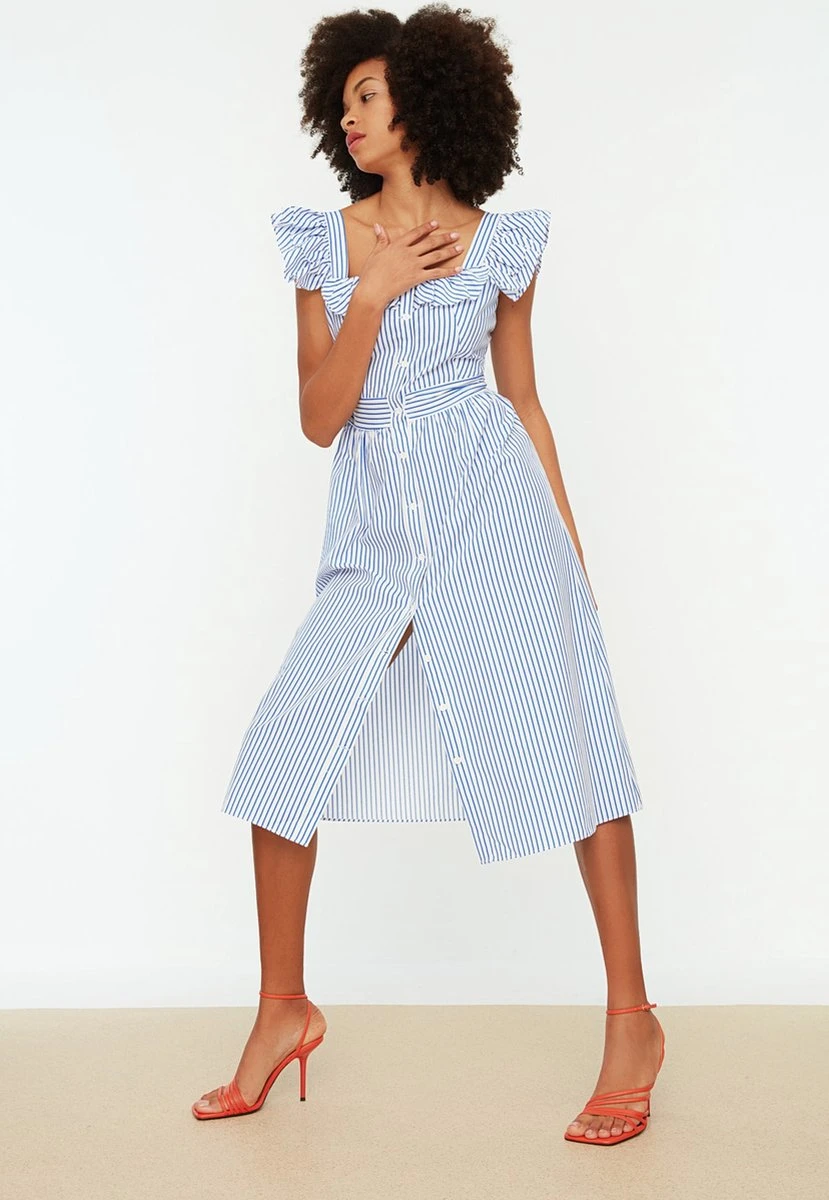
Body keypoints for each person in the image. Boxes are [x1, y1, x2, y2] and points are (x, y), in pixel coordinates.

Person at [192, 4, 665, 1145]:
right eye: (341, 101)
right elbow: (320, 419)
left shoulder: (501, 245)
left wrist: (572, 557)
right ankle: (283, 1008)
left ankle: (634, 1023)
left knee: (580, 748)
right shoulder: (325, 244)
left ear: (426, 99)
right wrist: (372, 294)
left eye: (368, 95)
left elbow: (522, 401)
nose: (349, 116)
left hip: (493, 515)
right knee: (281, 754)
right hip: (375, 538)